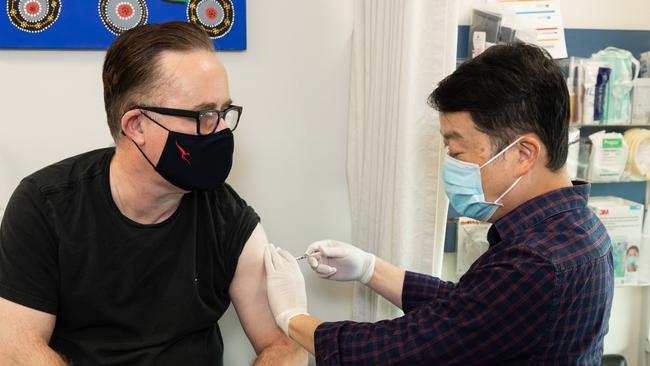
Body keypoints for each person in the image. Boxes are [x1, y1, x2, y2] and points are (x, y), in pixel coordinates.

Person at [264, 43, 614, 365]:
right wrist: (371, 270)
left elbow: (403, 350)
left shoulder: (536, 262)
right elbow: (470, 311)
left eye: (457, 151)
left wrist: (291, 317)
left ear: (523, 154)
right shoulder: (580, 228)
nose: (451, 164)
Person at [0, 21, 306, 365]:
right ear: (137, 126)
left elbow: (285, 345)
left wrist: (292, 321)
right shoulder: (45, 206)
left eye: (224, 112)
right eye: (204, 114)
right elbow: (16, 350)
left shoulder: (226, 215)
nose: (220, 129)